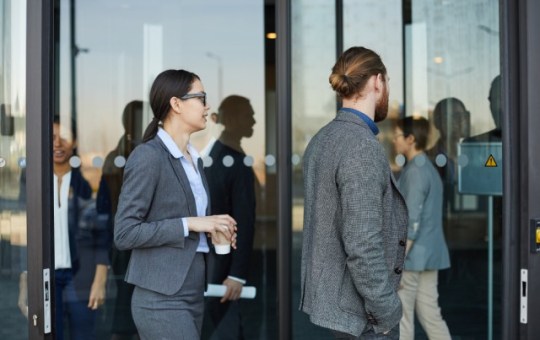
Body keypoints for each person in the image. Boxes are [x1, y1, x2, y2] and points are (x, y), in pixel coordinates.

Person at [114, 69, 237, 340]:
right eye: (201, 97)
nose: (207, 106)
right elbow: (125, 233)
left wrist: (213, 230)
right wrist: (192, 223)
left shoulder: (195, 159)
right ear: (176, 104)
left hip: (193, 289)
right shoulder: (148, 157)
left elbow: (185, 225)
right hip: (159, 297)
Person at [299, 46, 408, 340]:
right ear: (377, 81)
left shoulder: (323, 138)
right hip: (364, 318)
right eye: (387, 82)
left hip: (341, 310)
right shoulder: (360, 146)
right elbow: (362, 243)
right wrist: (387, 313)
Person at [18, 115, 110, 340]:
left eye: (64, 137)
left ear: (75, 141)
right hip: (44, 276)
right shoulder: (31, 178)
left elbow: (104, 233)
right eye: (52, 138)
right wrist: (24, 284)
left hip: (81, 277)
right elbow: (24, 232)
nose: (58, 143)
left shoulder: (90, 179)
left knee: (83, 335)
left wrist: (100, 280)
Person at [202, 95, 257, 340]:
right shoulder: (231, 160)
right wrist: (236, 274)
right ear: (233, 119)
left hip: (218, 265)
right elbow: (243, 219)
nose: (254, 120)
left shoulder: (219, 154)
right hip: (222, 268)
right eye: (249, 114)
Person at [393, 116, 451, 340]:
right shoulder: (426, 167)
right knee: (430, 315)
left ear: (411, 139)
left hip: (413, 257)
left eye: (398, 136)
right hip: (430, 255)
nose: (394, 141)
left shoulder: (415, 172)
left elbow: (412, 221)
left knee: (403, 318)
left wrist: (397, 262)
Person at [96, 100, 143, 339]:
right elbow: (103, 206)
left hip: (137, 237)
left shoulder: (118, 156)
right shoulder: (118, 158)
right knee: (126, 294)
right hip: (124, 239)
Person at [426, 97, 470, 214]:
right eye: (453, 116)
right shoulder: (426, 160)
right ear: (437, 122)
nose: (460, 121)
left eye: (463, 115)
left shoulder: (475, 157)